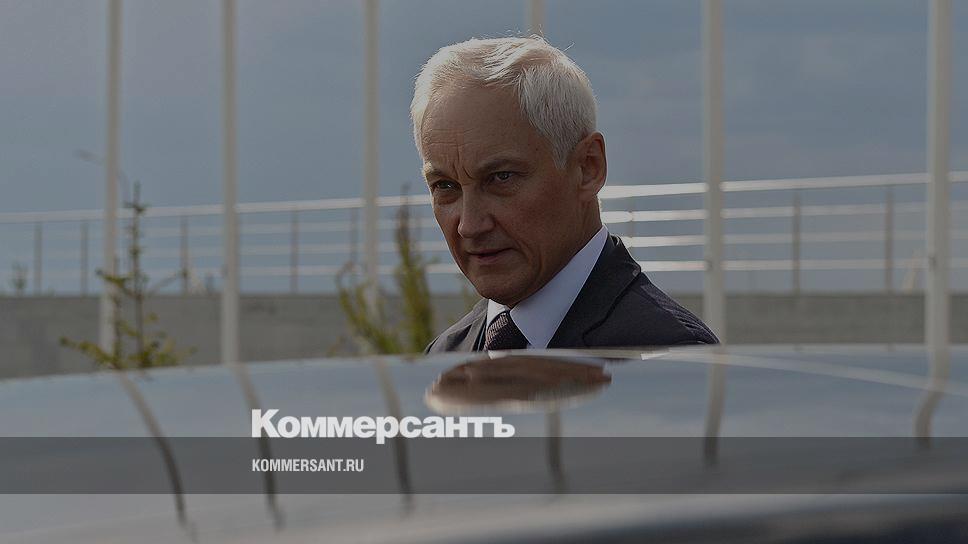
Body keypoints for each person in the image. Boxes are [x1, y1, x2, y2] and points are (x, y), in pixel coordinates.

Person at [411, 36, 717, 352]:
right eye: (445, 186)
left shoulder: (673, 357)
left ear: (588, 167)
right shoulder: (444, 356)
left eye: (501, 178)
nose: (470, 226)